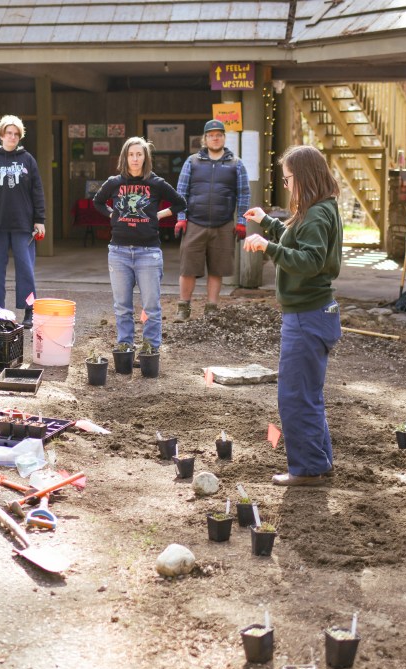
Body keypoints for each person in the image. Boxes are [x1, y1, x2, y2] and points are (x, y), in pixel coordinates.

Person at [243, 145, 343, 487]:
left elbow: (310, 261)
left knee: (294, 395)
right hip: (317, 313)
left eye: (287, 179)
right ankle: (319, 461)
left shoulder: (315, 214)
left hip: (307, 316)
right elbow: (300, 242)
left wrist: (267, 247)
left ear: (302, 177)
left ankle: (307, 470)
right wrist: (268, 223)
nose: (286, 185)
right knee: (308, 393)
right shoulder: (321, 207)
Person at [93, 137, 186, 353]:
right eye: (131, 154)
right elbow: (97, 202)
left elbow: (180, 203)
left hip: (148, 253)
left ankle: (150, 348)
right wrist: (112, 215)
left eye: (139, 154)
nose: (135, 159)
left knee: (152, 307)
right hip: (119, 252)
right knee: (122, 307)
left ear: (146, 157)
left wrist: (158, 215)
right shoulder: (114, 182)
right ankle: (125, 344)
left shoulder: (156, 182)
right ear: (125, 157)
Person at [173, 119, 250, 321]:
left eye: (219, 135)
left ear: (224, 138)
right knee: (188, 268)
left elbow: (243, 194)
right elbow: (181, 192)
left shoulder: (236, 164)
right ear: (205, 139)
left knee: (218, 268)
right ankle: (183, 308)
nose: (215, 138)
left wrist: (241, 221)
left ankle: (211, 309)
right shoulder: (192, 161)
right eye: (211, 135)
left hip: (223, 224)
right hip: (194, 223)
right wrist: (181, 218)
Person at [0, 115, 46, 329]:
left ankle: (29, 310)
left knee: (26, 269)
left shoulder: (28, 160)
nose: (13, 137)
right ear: (1, 135)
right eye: (9, 133)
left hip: (23, 225)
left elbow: (37, 191)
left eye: (16, 134)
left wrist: (40, 220)